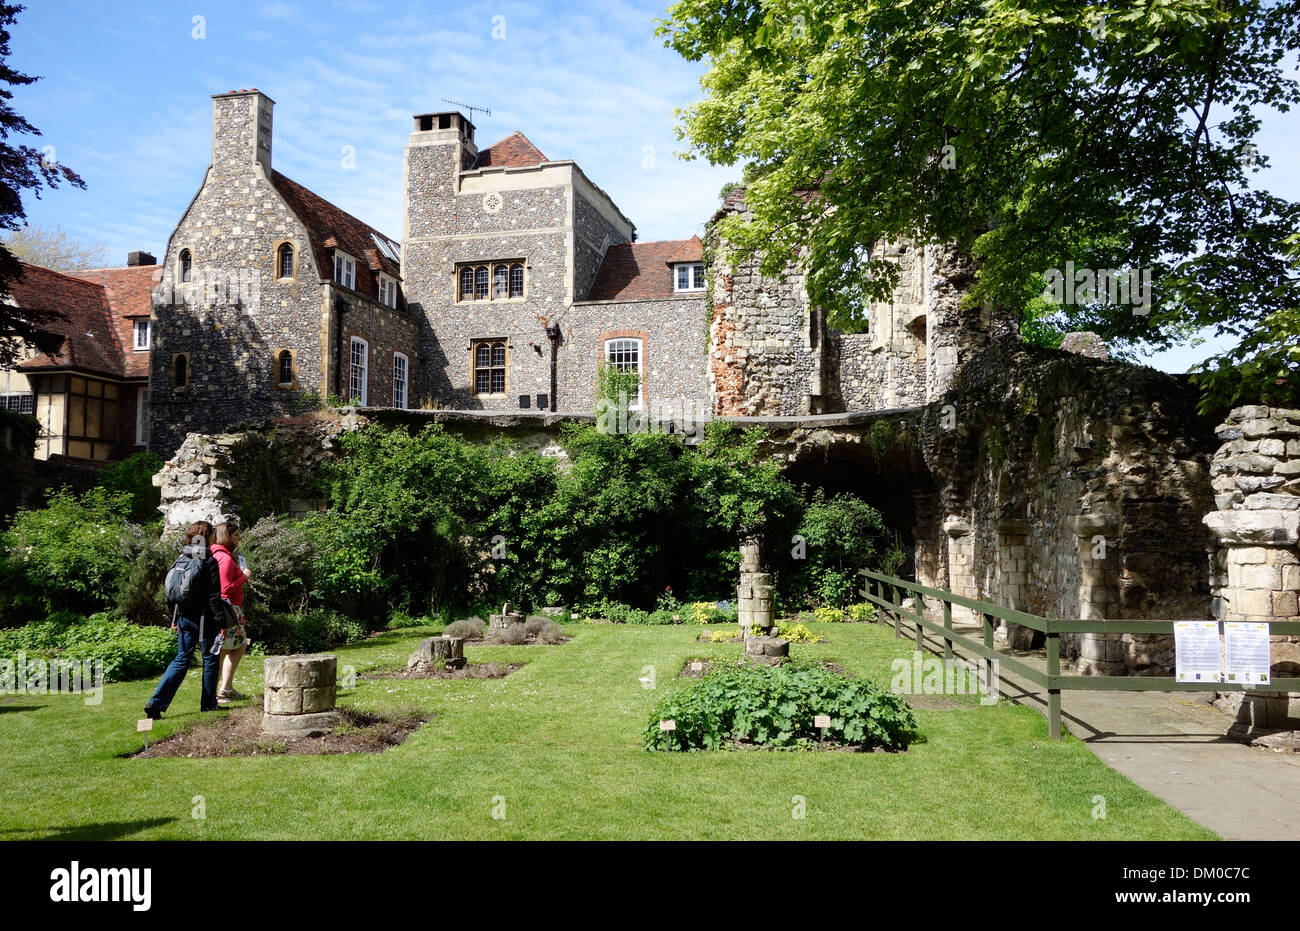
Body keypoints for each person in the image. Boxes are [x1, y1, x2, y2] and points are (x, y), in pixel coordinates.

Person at [144, 522, 225, 717]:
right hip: (205, 619)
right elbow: (214, 596)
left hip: (183, 617)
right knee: (210, 659)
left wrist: (173, 618)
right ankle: (208, 704)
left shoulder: (181, 558)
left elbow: (171, 592)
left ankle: (155, 703)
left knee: (181, 659)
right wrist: (222, 623)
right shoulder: (209, 561)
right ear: (208, 538)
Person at [210, 520, 251, 706]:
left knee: (228, 648)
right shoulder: (225, 558)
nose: (240, 538)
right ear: (227, 537)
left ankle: (222, 689)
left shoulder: (216, 554)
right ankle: (222, 690)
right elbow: (225, 589)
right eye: (236, 535)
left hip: (223, 608)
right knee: (235, 646)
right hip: (229, 608)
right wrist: (244, 577)